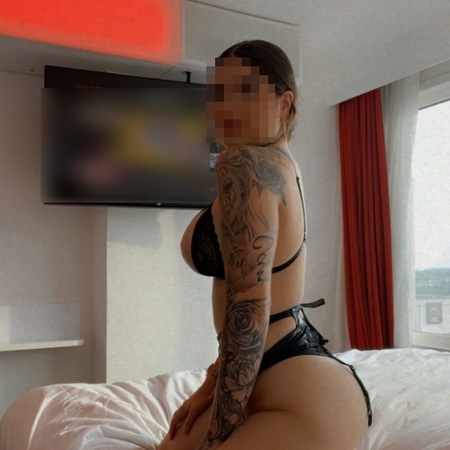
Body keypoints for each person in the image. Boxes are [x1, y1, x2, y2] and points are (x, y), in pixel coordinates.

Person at [157, 40, 371, 450]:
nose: (224, 108)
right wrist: (212, 381)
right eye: (218, 93)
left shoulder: (244, 164)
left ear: (283, 102)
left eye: (243, 92)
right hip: (280, 376)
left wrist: (216, 437)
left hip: (304, 400)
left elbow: (250, 307)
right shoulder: (280, 163)